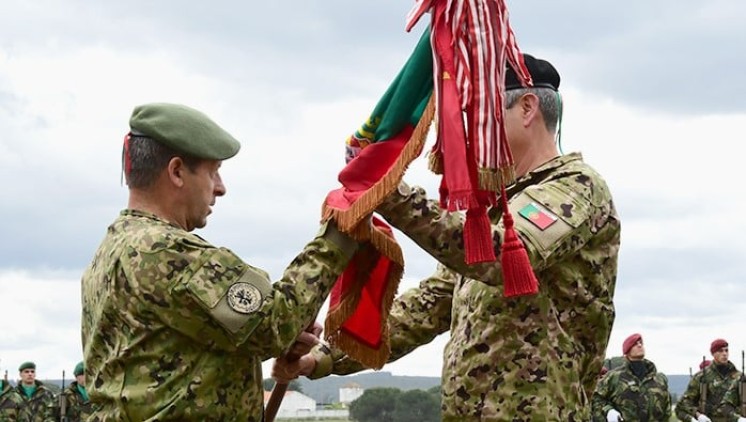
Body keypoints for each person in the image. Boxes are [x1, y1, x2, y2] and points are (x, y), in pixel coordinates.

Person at [273, 54, 621, 421]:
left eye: (478, 116)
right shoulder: (493, 208)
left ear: (527, 108)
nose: (467, 133)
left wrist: (389, 190)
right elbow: (425, 307)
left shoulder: (576, 188)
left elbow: (508, 255)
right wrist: (319, 359)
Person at [81, 103, 359, 421]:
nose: (220, 187)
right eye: (213, 171)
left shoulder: (113, 247)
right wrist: (341, 230)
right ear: (176, 171)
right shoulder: (166, 252)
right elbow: (276, 321)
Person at [592, 333, 672, 421]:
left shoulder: (659, 380)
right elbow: (595, 399)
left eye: (641, 343)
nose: (639, 345)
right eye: (635, 343)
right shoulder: (613, 378)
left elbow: (666, 412)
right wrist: (608, 411)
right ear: (627, 352)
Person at [677, 339, 744, 422]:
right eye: (720, 351)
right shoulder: (701, 377)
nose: (724, 354)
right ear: (713, 353)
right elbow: (684, 403)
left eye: (726, 350)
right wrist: (697, 415)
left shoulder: (739, 377)